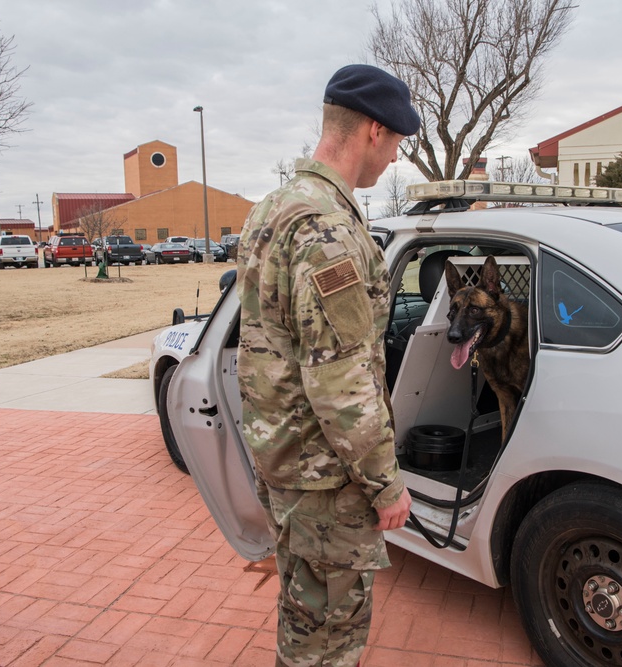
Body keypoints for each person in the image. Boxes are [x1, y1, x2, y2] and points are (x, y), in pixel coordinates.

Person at [237, 64, 419, 667]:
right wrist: (384, 480)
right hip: (324, 479)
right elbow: (339, 381)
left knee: (303, 610)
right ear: (372, 129)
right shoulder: (327, 229)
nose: (393, 158)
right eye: (394, 143)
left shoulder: (274, 208)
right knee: (328, 640)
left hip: (284, 459)